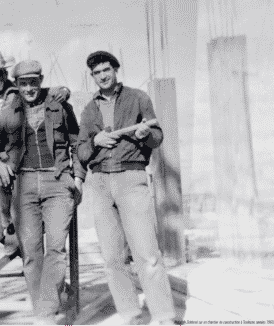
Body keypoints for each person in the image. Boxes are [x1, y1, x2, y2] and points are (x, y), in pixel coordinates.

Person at [0, 59, 85, 325]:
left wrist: (78, 177)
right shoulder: (6, 113)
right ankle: (43, 312)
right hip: (24, 186)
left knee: (56, 248)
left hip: (57, 181)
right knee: (31, 251)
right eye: (23, 83)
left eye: (34, 82)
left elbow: (77, 142)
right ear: (16, 85)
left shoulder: (60, 107)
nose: (29, 88)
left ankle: (47, 311)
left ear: (41, 80)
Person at [76, 51, 176, 325]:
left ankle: (164, 316)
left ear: (116, 69)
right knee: (112, 257)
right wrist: (95, 139)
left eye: (106, 70)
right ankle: (130, 314)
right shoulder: (89, 110)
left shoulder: (138, 98)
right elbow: (82, 151)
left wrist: (146, 135)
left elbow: (157, 136)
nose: (103, 76)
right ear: (92, 76)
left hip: (131, 179)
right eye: (97, 73)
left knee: (147, 254)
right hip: (100, 184)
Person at [0, 51, 70, 244]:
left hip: (11, 154)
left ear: (5, 73)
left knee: (2, 179)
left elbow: (44, 91)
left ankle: (10, 226)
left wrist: (65, 91)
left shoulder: (19, 90)